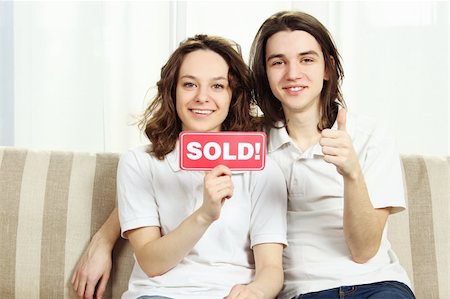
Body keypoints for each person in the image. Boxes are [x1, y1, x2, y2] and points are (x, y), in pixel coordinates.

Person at [73, 34, 288, 299]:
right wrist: (204, 215)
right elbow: (151, 262)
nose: (202, 97)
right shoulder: (140, 163)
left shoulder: (262, 168)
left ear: (233, 96)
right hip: (160, 294)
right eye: (189, 84)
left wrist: (256, 292)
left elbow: (271, 268)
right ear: (172, 91)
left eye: (218, 86)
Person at [249, 10, 415, 299]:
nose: (293, 74)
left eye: (307, 59)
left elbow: (364, 251)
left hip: (378, 285)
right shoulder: (251, 145)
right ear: (265, 73)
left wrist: (351, 173)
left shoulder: (370, 135)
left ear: (327, 68)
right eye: (278, 62)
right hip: (304, 291)